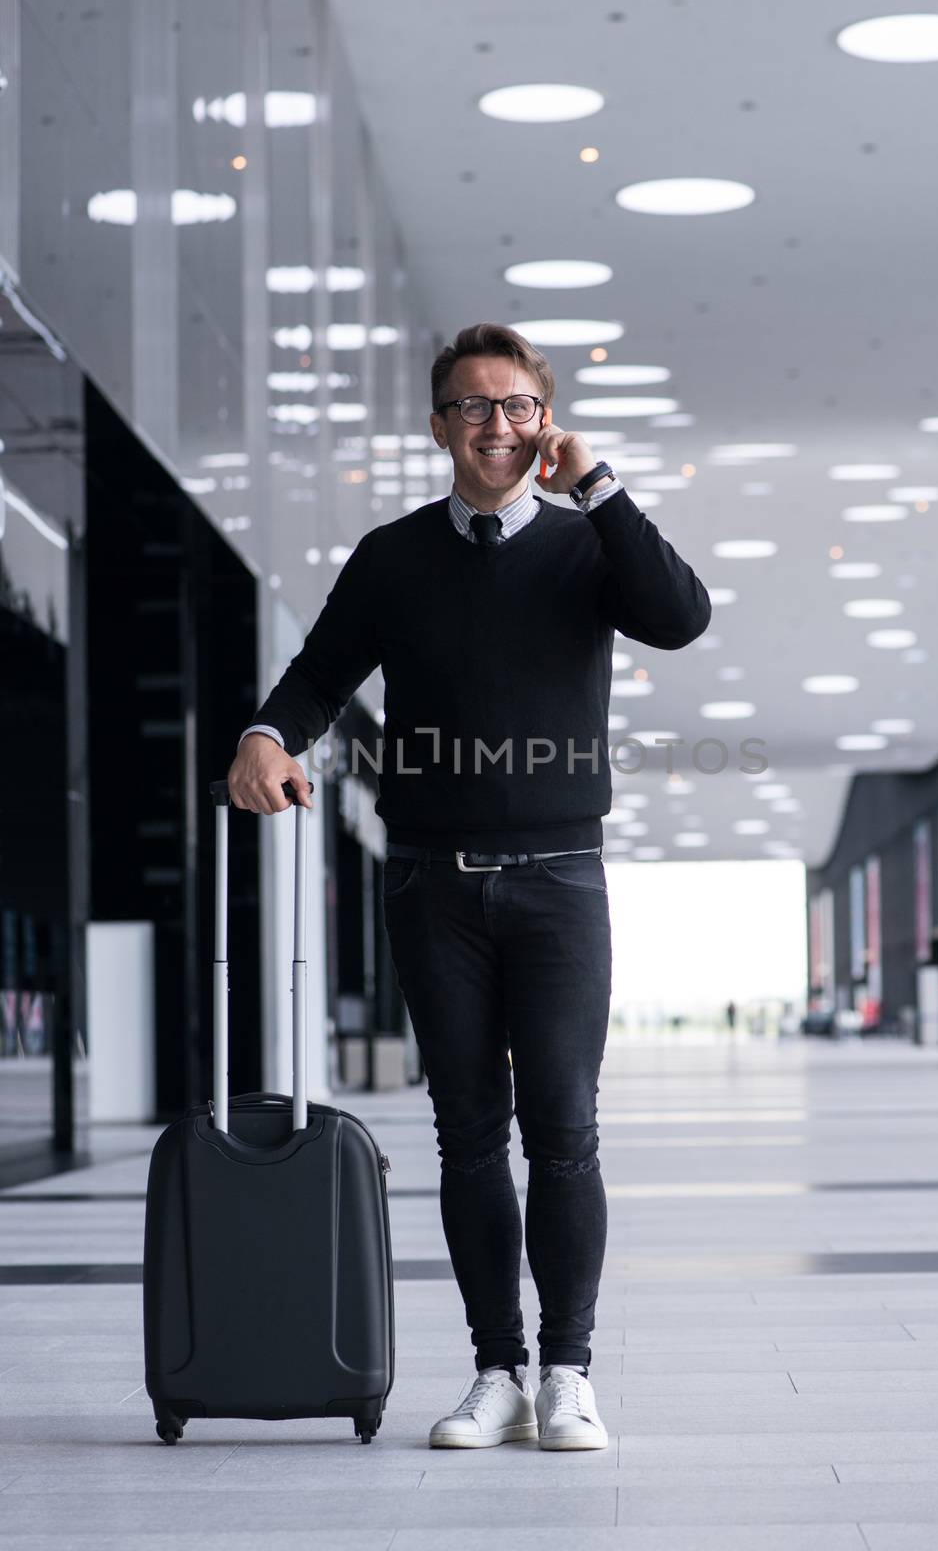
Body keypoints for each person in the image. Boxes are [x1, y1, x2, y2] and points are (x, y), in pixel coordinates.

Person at [228, 322, 711, 1451]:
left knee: (565, 1131)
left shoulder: (590, 546)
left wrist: (597, 483)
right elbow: (316, 676)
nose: (497, 426)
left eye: (517, 407)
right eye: (474, 407)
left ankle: (571, 1372)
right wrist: (264, 731)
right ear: (440, 424)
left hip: (559, 880)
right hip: (433, 884)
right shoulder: (393, 555)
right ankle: (497, 1368)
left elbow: (680, 617)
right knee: (465, 1136)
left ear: (544, 421)